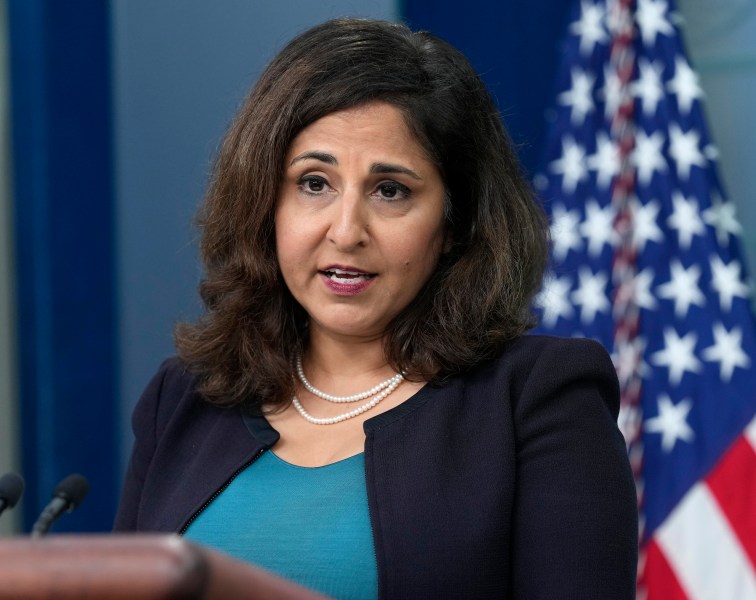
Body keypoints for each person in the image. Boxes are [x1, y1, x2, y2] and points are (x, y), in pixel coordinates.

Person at [114, 17, 638, 600]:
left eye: (390, 190)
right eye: (314, 183)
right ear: (265, 202)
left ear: (455, 224)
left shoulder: (536, 398)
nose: (346, 231)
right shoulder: (183, 400)